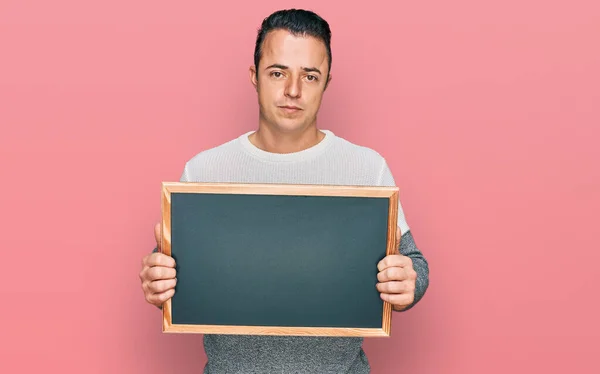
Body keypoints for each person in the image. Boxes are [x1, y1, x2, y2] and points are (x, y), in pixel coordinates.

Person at [139, 8, 429, 373]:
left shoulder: (366, 168)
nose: (293, 90)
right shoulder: (205, 170)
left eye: (310, 76)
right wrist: (157, 278)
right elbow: (170, 269)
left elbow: (414, 264)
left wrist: (408, 285)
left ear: (326, 83)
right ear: (254, 77)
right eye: (278, 73)